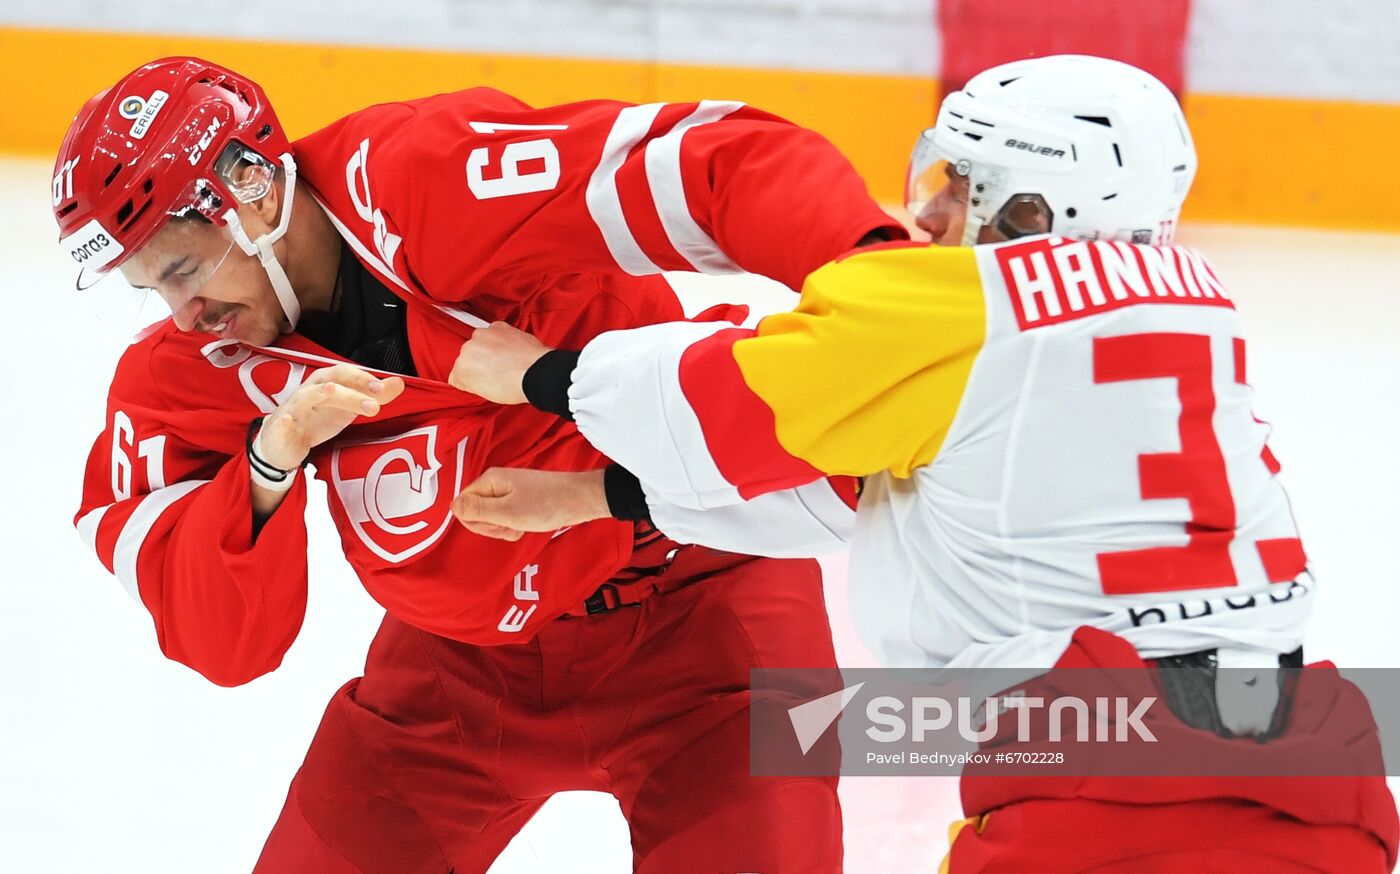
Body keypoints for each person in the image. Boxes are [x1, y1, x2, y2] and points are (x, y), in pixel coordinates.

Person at [447, 55, 1400, 871]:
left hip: (1104, 792)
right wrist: (595, 494)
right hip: (1317, 769)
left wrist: (545, 374)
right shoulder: (1192, 304)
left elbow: (729, 405)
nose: (932, 209)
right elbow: (886, 491)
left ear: (1039, 209)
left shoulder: (963, 308)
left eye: (966, 185)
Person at [56, 56, 906, 871]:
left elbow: (710, 163)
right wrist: (270, 461)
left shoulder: (434, 180)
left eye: (182, 269)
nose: (183, 313)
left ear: (251, 190)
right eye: (151, 289)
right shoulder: (197, 364)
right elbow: (222, 642)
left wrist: (881, 277)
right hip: (452, 685)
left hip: (706, 622)